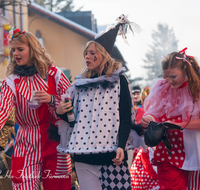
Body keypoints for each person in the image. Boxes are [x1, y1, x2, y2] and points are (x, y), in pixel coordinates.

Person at [55, 15, 138, 190]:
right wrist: (61, 111)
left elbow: (125, 118)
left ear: (104, 55)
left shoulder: (119, 81)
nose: (88, 57)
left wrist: (122, 146)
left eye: (93, 53)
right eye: (86, 53)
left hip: (112, 156)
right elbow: (72, 121)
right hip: (83, 157)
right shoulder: (78, 85)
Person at [0, 28, 72, 190]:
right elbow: (2, 110)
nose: (15, 54)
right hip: (25, 143)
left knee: (58, 187)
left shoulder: (55, 74)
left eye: (20, 49)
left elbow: (73, 102)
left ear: (32, 50)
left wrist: (52, 99)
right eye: (13, 50)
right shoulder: (11, 81)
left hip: (55, 141)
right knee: (22, 186)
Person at [141, 48, 200, 190]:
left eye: (173, 76)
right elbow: (154, 112)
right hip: (170, 151)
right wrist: (148, 119)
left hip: (196, 151)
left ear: (185, 70)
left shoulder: (197, 88)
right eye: (166, 76)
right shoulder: (163, 87)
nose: (169, 81)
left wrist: (178, 124)